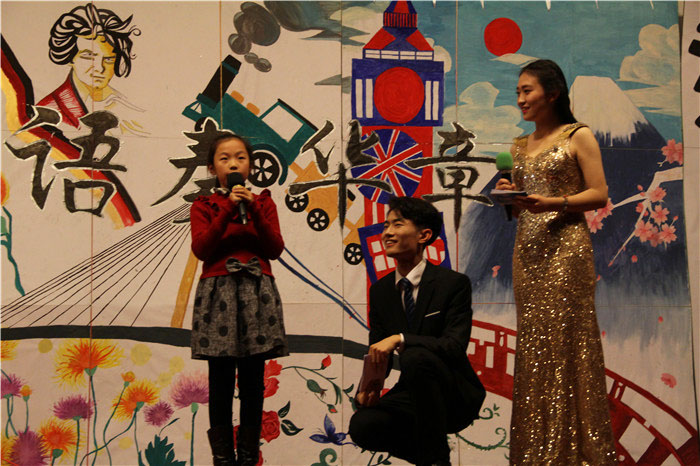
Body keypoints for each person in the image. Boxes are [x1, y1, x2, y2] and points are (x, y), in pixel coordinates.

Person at [495, 59, 617, 464]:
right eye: (517, 92)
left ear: (553, 93)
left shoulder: (577, 135)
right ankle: (536, 453)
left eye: (527, 90)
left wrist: (554, 203)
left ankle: (577, 453)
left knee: (569, 342)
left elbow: (599, 193)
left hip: (566, 249)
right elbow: (521, 207)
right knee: (535, 345)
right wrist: (509, 197)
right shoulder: (518, 146)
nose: (520, 99)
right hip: (528, 251)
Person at [348, 196, 485, 466]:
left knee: (414, 355)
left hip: (454, 391)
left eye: (397, 225)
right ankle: (435, 460)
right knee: (363, 425)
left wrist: (400, 339)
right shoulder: (381, 291)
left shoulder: (453, 284)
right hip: (412, 391)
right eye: (386, 225)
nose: (387, 233)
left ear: (424, 235)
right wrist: (367, 390)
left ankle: (434, 458)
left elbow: (453, 345)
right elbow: (378, 351)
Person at [189, 133, 289, 466]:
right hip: (218, 291)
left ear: (250, 165)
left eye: (241, 158)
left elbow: (274, 249)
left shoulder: (264, 203)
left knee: (252, 381)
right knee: (220, 380)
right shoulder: (203, 205)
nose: (233, 164)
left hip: (256, 292)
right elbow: (202, 249)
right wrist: (228, 207)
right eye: (225, 158)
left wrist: (253, 209)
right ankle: (223, 460)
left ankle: (248, 458)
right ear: (212, 167)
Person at [39, 3, 147, 136]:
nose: (100, 68)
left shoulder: (127, 107)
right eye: (89, 57)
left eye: (109, 59)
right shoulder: (49, 111)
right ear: (70, 58)